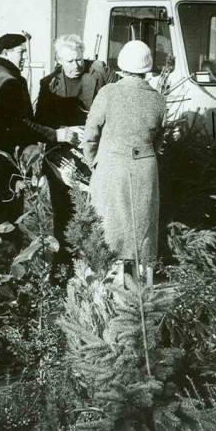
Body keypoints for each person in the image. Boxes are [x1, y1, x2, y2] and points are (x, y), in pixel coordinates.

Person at [0, 33, 76, 234]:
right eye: (20, 52)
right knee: (11, 220)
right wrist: (56, 135)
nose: (24, 58)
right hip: (7, 161)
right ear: (5, 52)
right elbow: (22, 123)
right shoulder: (9, 82)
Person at [83, 40, 166, 285]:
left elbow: (91, 133)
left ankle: (105, 286)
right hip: (145, 167)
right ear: (147, 69)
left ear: (121, 66)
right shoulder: (158, 100)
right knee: (142, 226)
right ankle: (140, 286)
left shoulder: (108, 93)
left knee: (108, 224)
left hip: (111, 166)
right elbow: (158, 139)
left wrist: (92, 161)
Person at [33, 34, 113, 279]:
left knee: (94, 210)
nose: (75, 65)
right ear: (58, 60)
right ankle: (64, 266)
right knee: (63, 211)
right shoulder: (49, 84)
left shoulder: (98, 74)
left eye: (79, 59)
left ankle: (96, 263)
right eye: (69, 61)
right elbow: (41, 122)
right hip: (61, 159)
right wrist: (62, 133)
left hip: (93, 155)